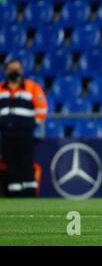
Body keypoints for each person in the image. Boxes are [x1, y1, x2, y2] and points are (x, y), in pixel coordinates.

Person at [0, 59, 48, 197]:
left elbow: (42, 109)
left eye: (16, 68)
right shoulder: (1, 89)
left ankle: (30, 194)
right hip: (6, 135)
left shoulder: (31, 87)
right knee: (10, 164)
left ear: (21, 71)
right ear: (6, 71)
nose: (13, 71)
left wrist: (31, 125)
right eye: (10, 69)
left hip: (25, 135)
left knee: (26, 163)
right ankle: (14, 195)